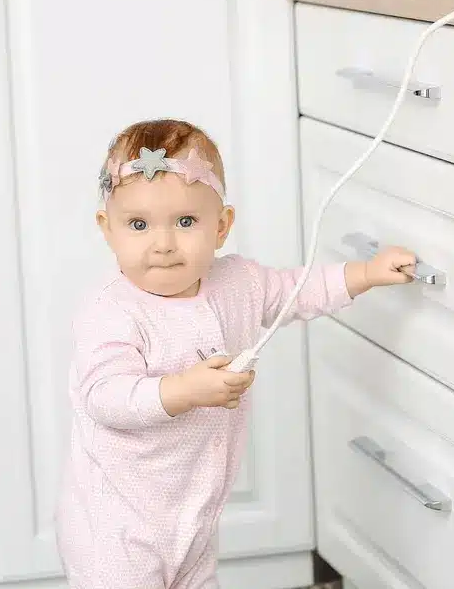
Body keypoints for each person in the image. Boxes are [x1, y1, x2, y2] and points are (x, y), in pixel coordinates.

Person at [54, 118, 416, 588]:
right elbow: (104, 397)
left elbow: (296, 291)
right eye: (139, 225)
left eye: (186, 222)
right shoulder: (112, 310)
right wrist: (185, 389)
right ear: (108, 229)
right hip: (117, 526)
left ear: (222, 226)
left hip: (192, 518)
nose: (162, 244)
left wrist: (365, 274)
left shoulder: (237, 283)